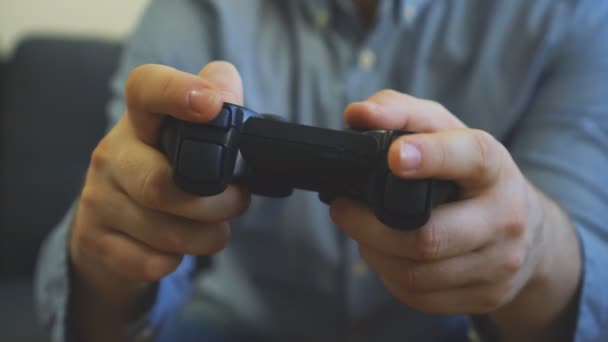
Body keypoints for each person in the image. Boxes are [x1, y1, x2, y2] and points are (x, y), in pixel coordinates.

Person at [35, 0, 608, 341]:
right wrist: (109, 263)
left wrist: (534, 249)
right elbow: (131, 227)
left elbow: (587, 259)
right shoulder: (197, 11)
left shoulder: (570, 16)